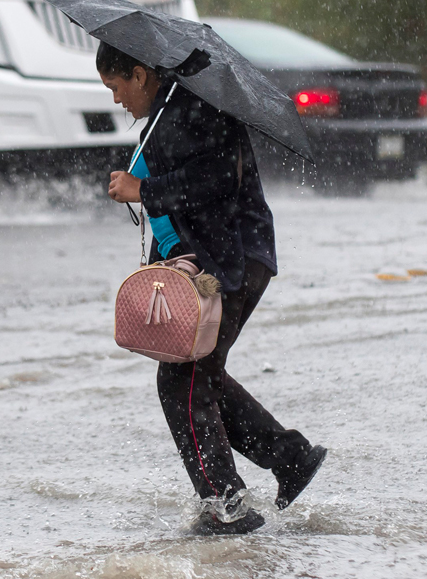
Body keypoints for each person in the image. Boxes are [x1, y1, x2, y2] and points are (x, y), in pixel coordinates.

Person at [97, 42, 326, 535]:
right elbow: (189, 188)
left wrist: (146, 190)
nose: (116, 100)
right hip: (225, 258)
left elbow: (217, 180)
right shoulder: (166, 114)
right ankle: (289, 457)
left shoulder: (192, 108)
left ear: (140, 74)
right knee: (202, 377)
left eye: (116, 87)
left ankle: (226, 506)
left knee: (182, 382)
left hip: (232, 261)